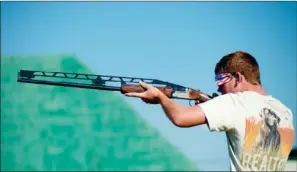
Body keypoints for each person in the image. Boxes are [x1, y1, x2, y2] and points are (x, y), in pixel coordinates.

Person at [124, 51, 295, 171]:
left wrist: (161, 98)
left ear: (238, 78)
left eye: (221, 80)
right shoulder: (284, 112)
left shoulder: (234, 102)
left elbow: (181, 118)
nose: (219, 88)